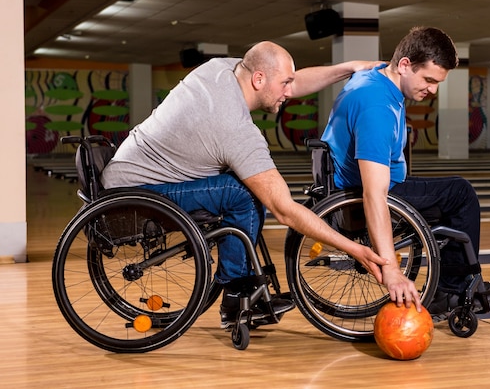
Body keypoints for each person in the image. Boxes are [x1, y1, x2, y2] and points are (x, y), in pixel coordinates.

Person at [100, 41, 412, 329]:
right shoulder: (235, 129)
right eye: (284, 84)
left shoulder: (222, 70)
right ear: (259, 80)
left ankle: (242, 284)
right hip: (133, 197)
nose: (289, 92)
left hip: (123, 175)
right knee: (242, 194)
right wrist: (354, 249)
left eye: (289, 83)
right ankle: (237, 294)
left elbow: (293, 80)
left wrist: (350, 67)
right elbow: (285, 210)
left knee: (244, 187)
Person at [320, 26, 490, 321]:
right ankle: (450, 291)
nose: (433, 90)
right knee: (460, 194)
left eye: (438, 82)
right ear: (404, 65)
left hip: (351, 184)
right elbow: (374, 195)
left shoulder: (373, 75)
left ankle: (451, 281)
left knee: (450, 191)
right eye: (428, 79)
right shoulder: (376, 106)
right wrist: (390, 267)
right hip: (368, 196)